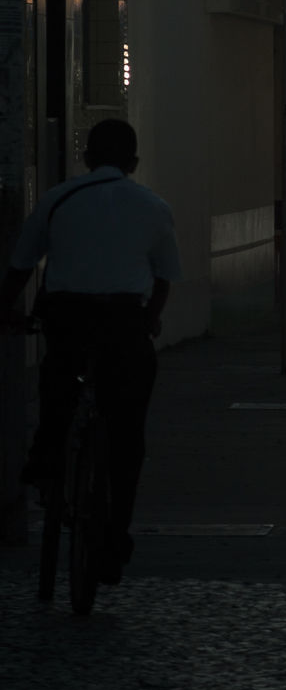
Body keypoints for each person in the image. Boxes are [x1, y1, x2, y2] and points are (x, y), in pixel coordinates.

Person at [0, 118, 182, 585]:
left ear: (85, 158)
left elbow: (20, 266)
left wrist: (7, 313)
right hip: (125, 324)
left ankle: (45, 464)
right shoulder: (153, 206)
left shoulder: (57, 199)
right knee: (127, 436)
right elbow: (164, 278)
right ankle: (114, 535)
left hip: (68, 318)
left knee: (57, 387)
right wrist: (149, 319)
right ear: (134, 163)